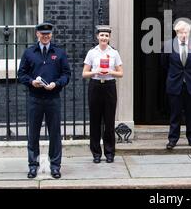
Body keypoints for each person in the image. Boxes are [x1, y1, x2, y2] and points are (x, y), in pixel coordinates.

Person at [17, 22, 71, 179]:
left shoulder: (59, 53)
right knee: (33, 134)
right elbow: (21, 74)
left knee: (55, 134)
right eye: (42, 34)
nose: (46, 36)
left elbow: (66, 74)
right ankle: (33, 165)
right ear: (37, 35)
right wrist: (31, 82)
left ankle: (55, 166)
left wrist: (56, 83)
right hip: (35, 98)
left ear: (51, 35)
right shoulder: (29, 53)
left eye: (48, 34)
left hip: (53, 98)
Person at [82, 25, 123, 164]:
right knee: (95, 121)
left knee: (109, 121)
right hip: (95, 86)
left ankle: (110, 152)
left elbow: (121, 73)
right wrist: (96, 71)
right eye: (102, 35)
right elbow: (84, 73)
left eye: (106, 36)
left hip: (110, 86)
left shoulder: (114, 53)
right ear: (97, 37)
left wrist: (110, 72)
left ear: (109, 37)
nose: (104, 38)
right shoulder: (92, 53)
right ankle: (96, 153)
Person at [161, 20, 191, 151]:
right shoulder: (168, 45)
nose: (184, 35)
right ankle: (172, 140)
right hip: (175, 83)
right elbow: (164, 64)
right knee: (175, 113)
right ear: (176, 33)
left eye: (186, 32)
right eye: (181, 32)